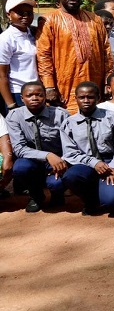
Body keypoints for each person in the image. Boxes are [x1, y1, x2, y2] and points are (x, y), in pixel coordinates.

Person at [37, 0, 113, 114]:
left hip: (95, 82)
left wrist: (108, 81)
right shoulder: (49, 20)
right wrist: (49, 87)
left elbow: (106, 52)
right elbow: (43, 56)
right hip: (64, 85)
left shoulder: (94, 19)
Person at [60, 82, 114, 215]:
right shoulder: (69, 123)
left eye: (90, 97)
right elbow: (70, 153)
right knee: (71, 176)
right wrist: (95, 163)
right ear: (76, 99)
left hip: (111, 161)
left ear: (98, 98)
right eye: (82, 97)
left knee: (113, 202)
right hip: (85, 163)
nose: (86, 101)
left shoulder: (112, 117)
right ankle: (90, 201)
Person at [7, 81, 69, 212]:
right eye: (29, 95)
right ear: (22, 98)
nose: (34, 98)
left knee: (55, 184)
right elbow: (19, 148)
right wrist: (47, 155)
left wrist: (63, 160)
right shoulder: (14, 116)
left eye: (39, 95)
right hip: (32, 160)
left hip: (58, 160)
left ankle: (57, 195)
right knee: (20, 168)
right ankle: (36, 196)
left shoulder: (61, 114)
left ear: (45, 96)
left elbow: (72, 144)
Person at [0, 0, 38, 110]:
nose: (25, 17)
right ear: (8, 15)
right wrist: (11, 105)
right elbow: (2, 75)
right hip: (18, 94)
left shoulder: (33, 33)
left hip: (37, 92)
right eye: (20, 13)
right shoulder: (6, 39)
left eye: (29, 13)